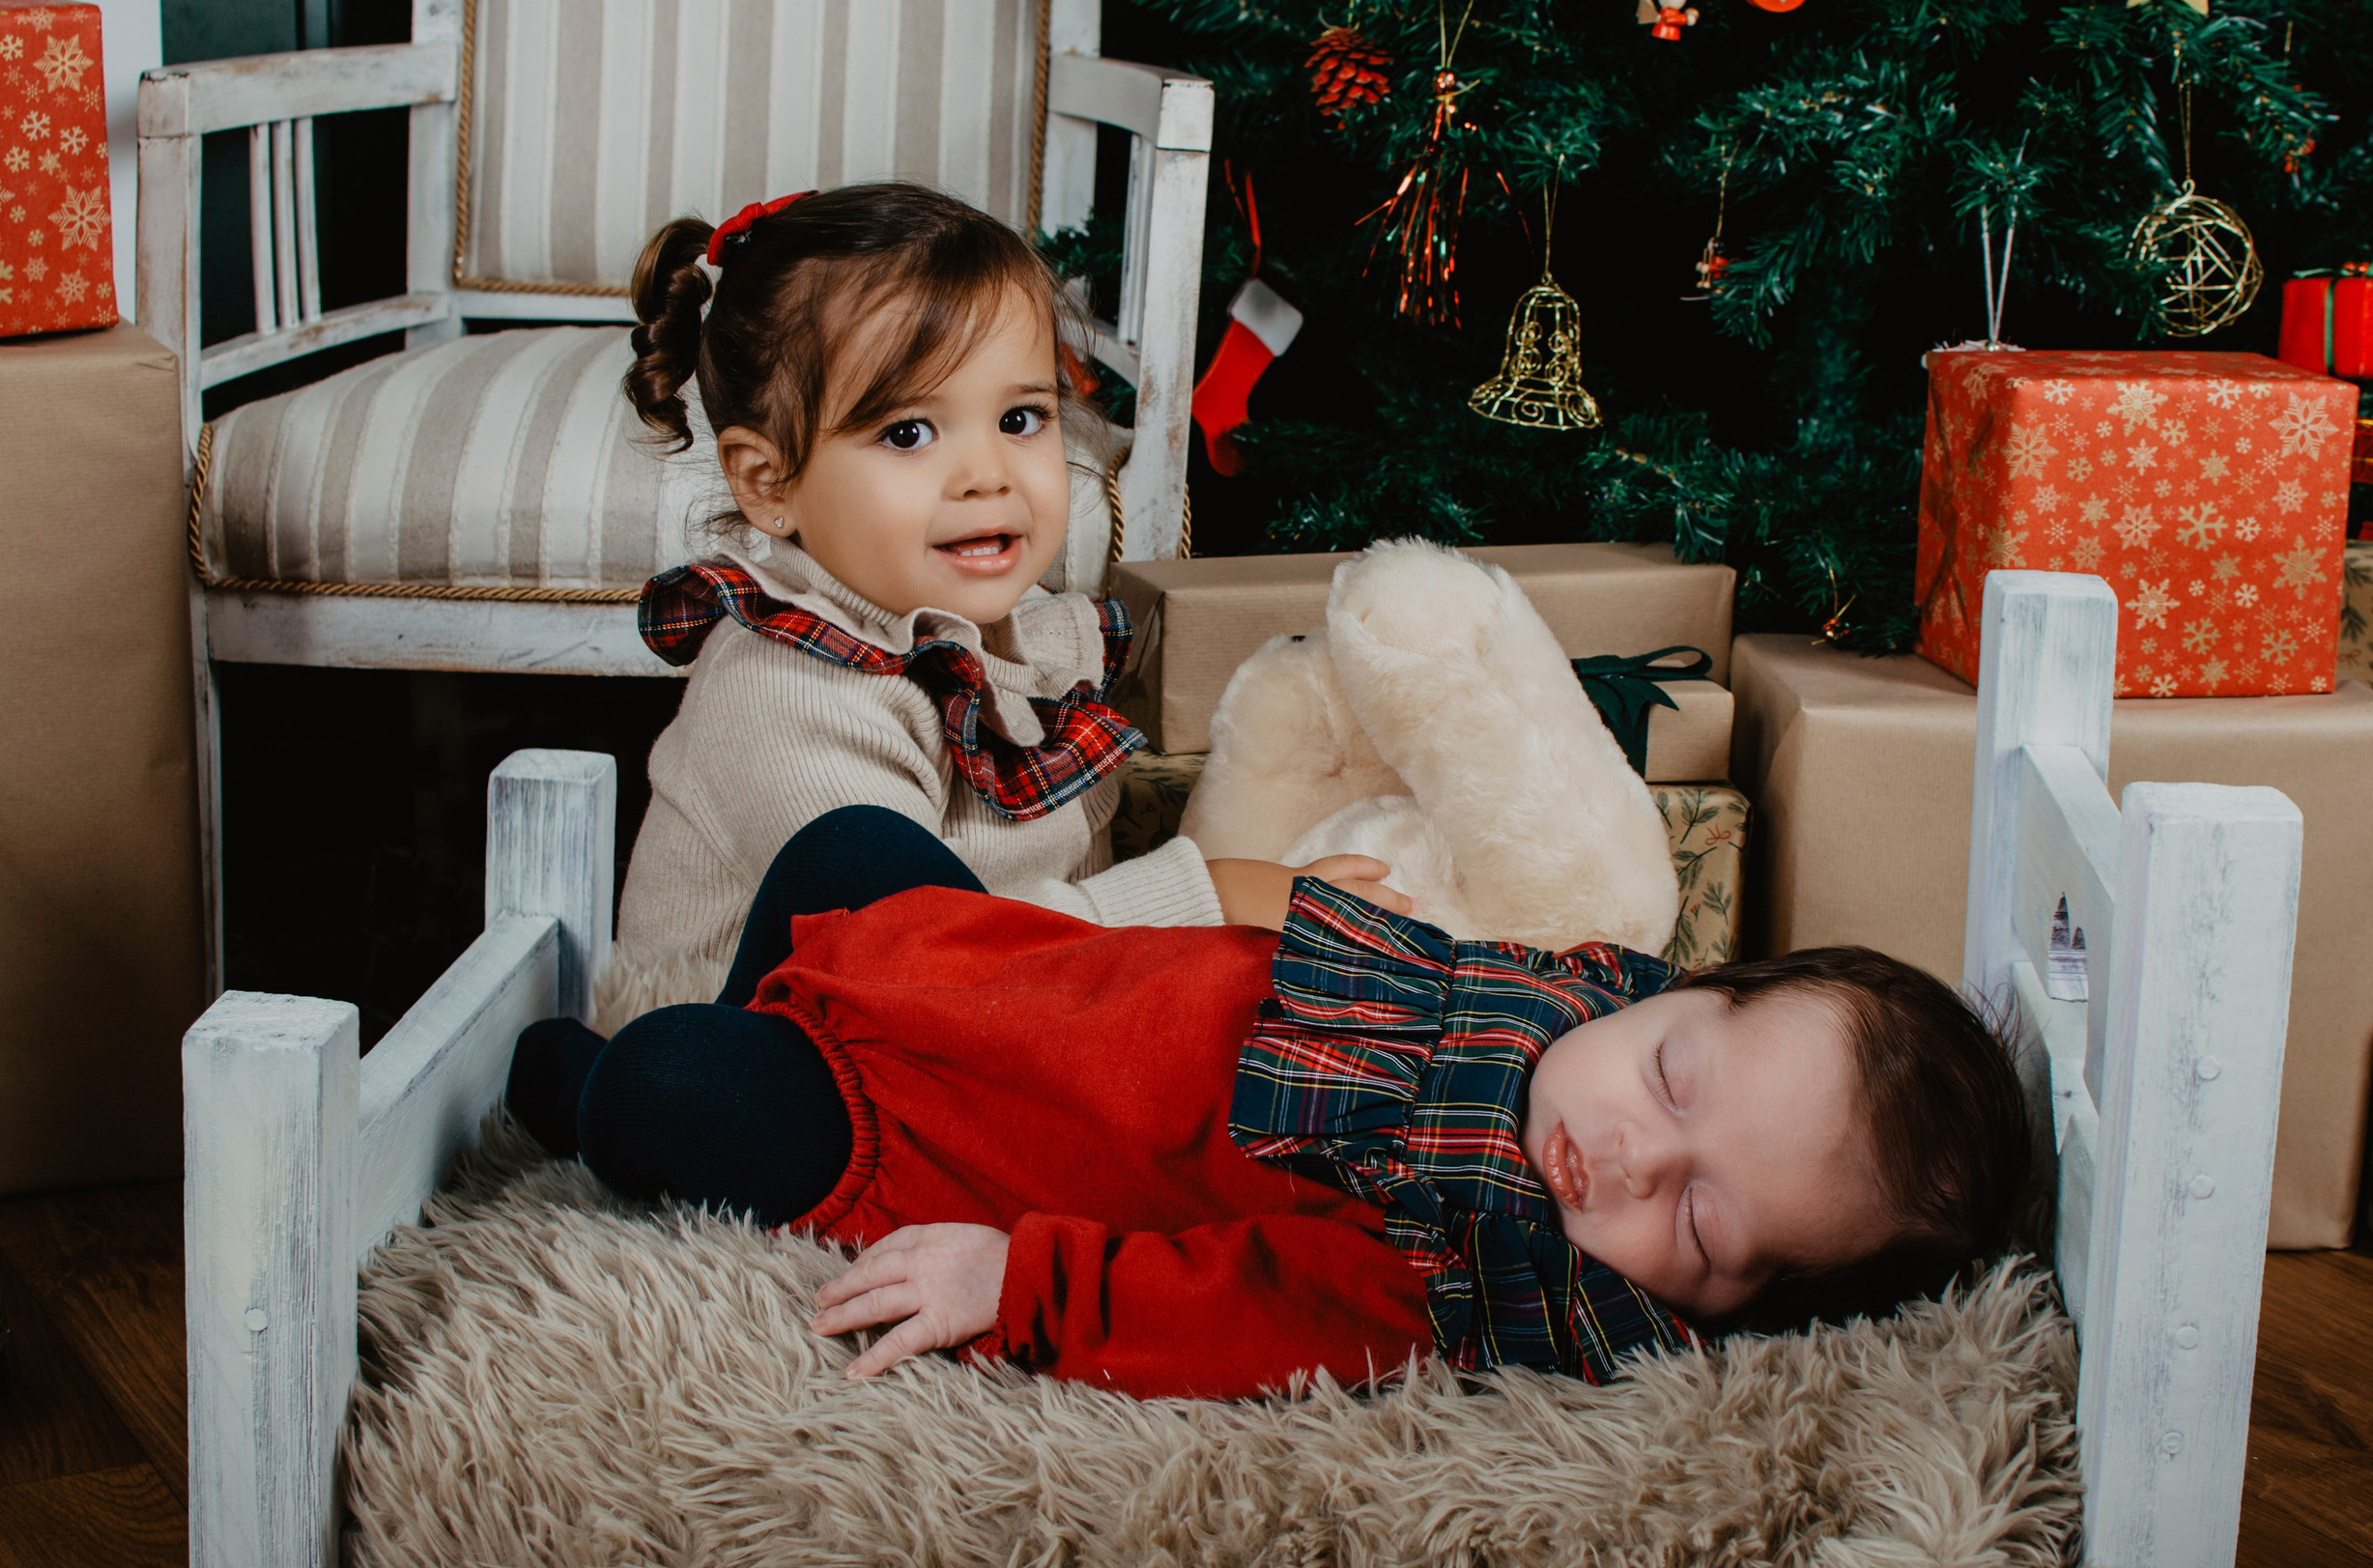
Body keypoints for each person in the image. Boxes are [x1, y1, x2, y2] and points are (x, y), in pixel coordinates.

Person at [508, 807, 2035, 1401]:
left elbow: (1230, 1312)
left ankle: (611, 1096)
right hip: (1020, 995)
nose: (1629, 1154)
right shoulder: (1556, 997)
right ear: (1684, 986)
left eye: (1698, 1220)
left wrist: (1014, 1277)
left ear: (1727, 1309)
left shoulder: (1463, 1260)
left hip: (946, 1140)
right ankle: (777, 1004)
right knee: (849, 850)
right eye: (1676, 1076)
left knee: (671, 1091)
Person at [601, 183, 1403, 1026]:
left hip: (978, 1022)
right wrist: (1204, 897)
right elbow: (929, 962)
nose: (988, 475)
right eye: (908, 433)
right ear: (770, 483)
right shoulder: (786, 696)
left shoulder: (1009, 642)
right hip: (778, 1051)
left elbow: (1048, 907)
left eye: (1021, 418)